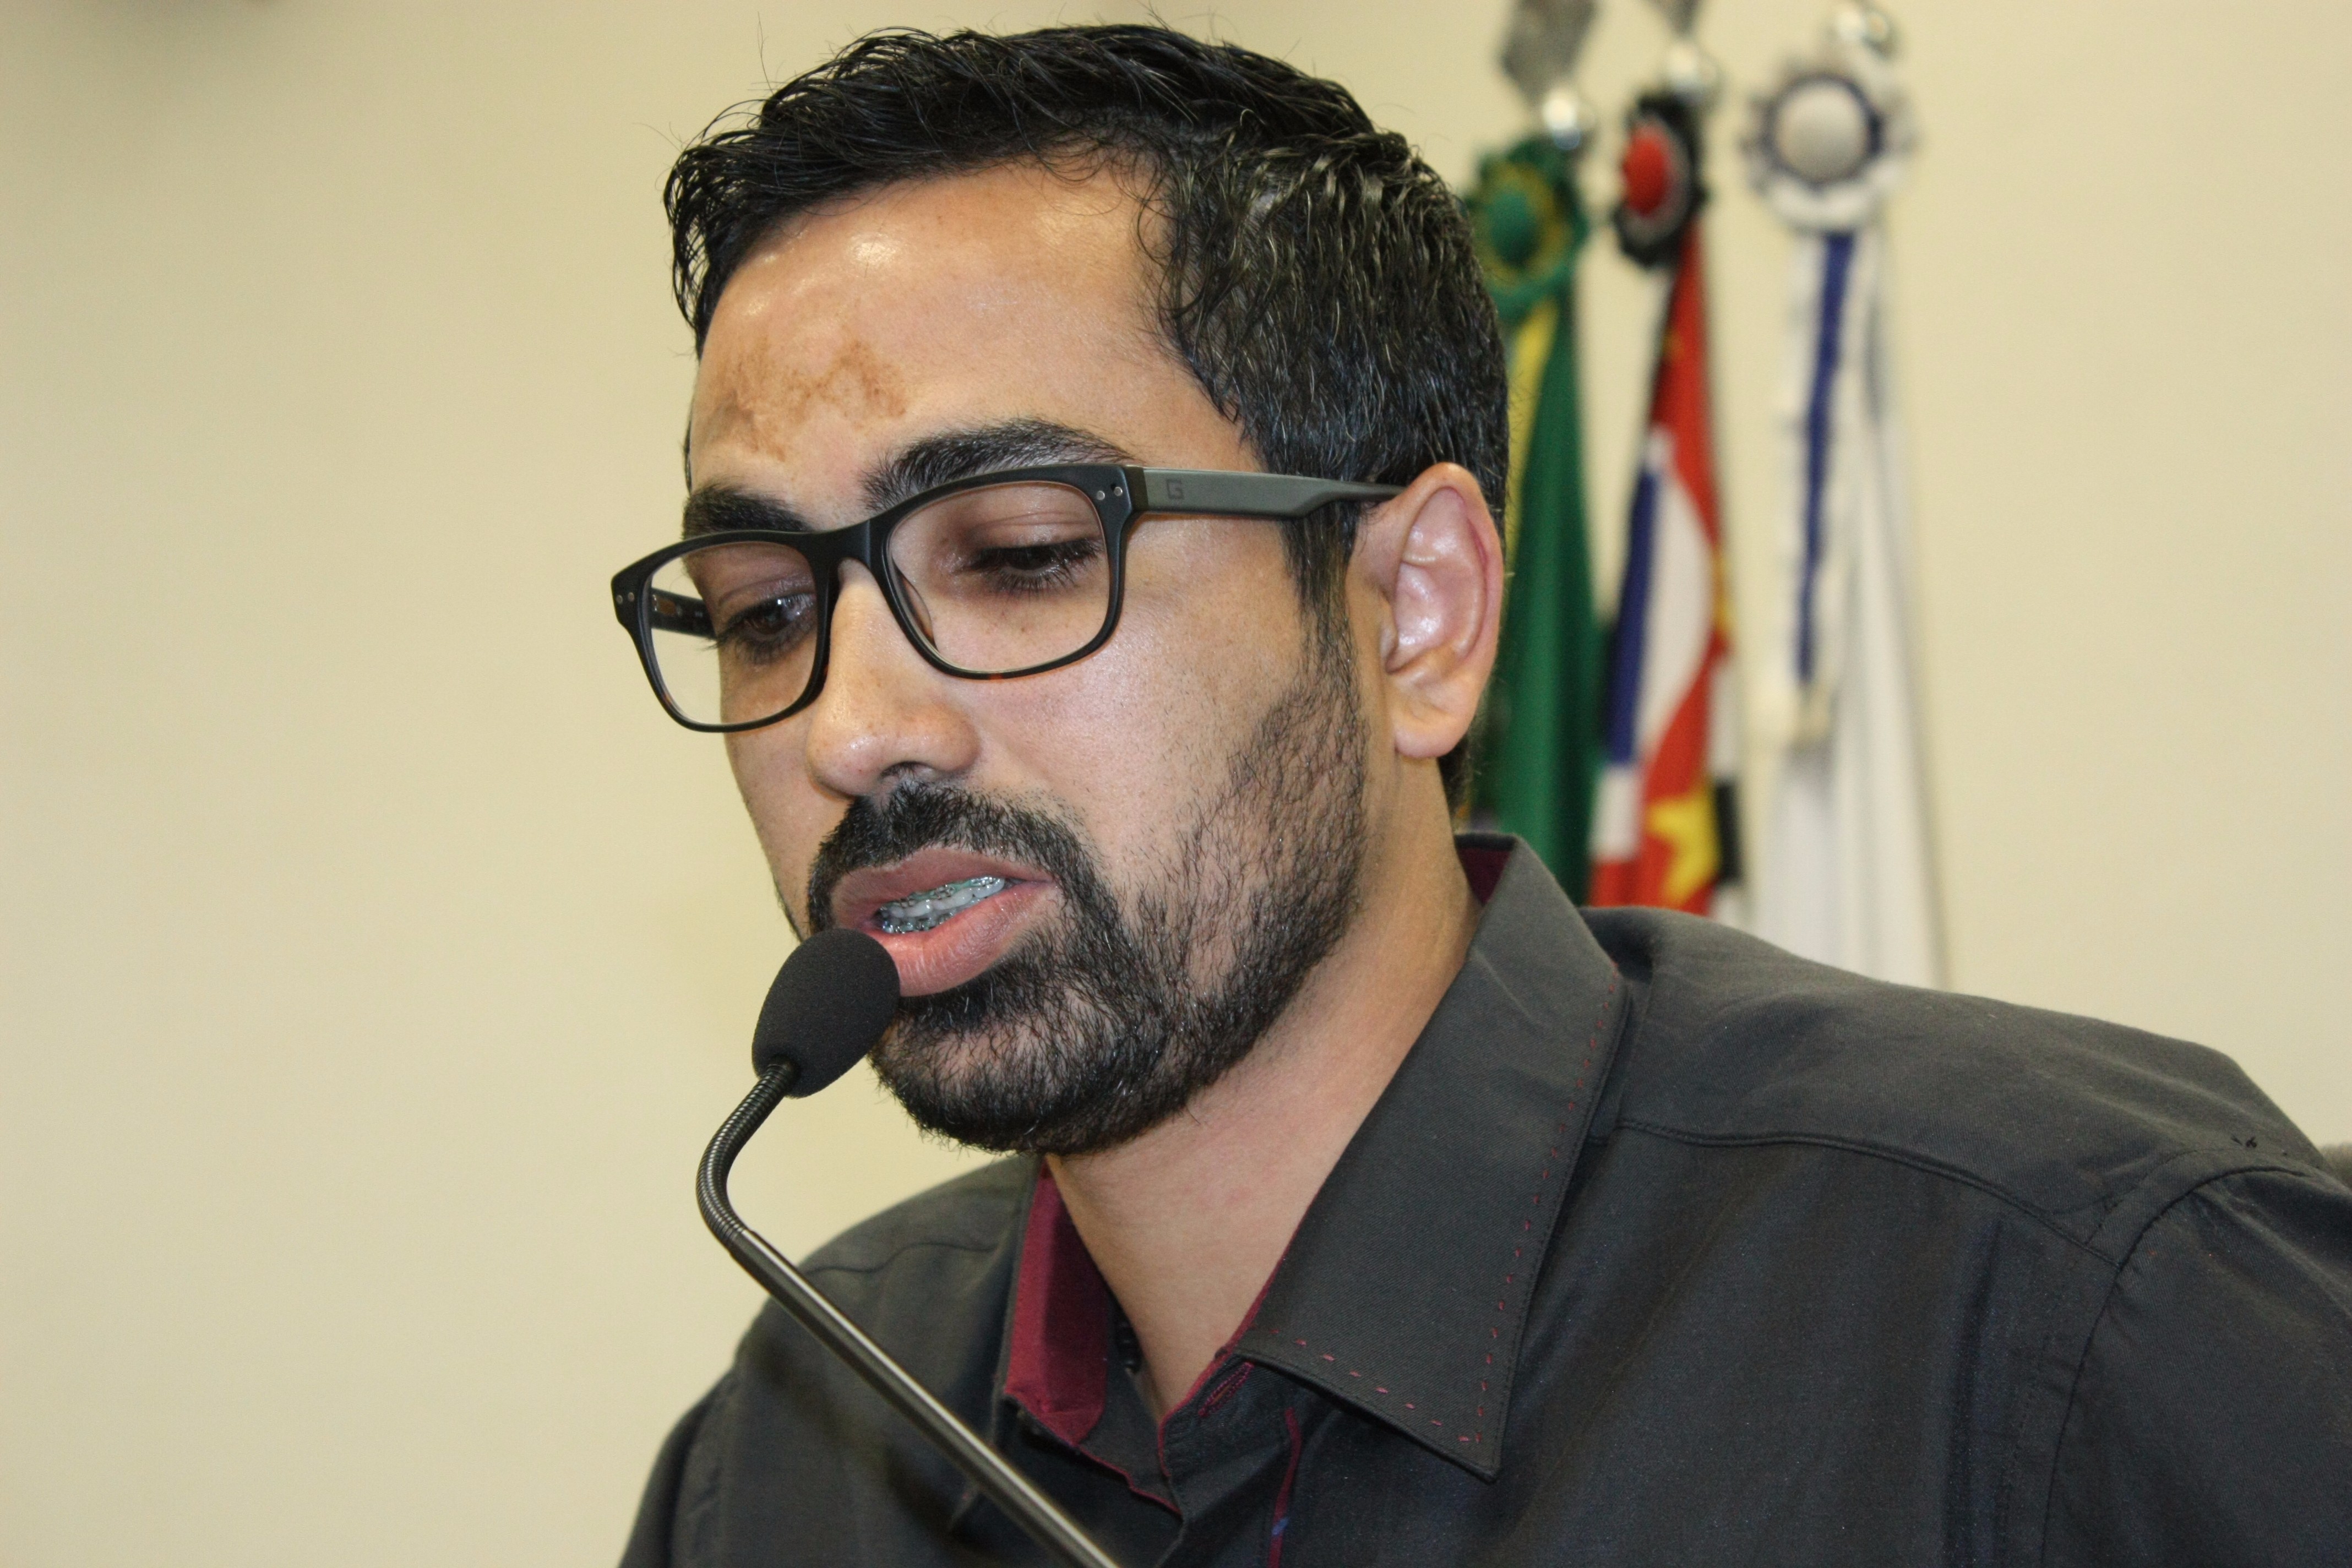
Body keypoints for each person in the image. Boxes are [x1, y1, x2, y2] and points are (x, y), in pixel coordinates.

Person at [612, 25, 2352, 1567]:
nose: (853, 731)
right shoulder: (791, 1448)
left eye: (1018, 555)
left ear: (1417, 614)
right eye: (767, 612)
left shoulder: (2076, 1311)